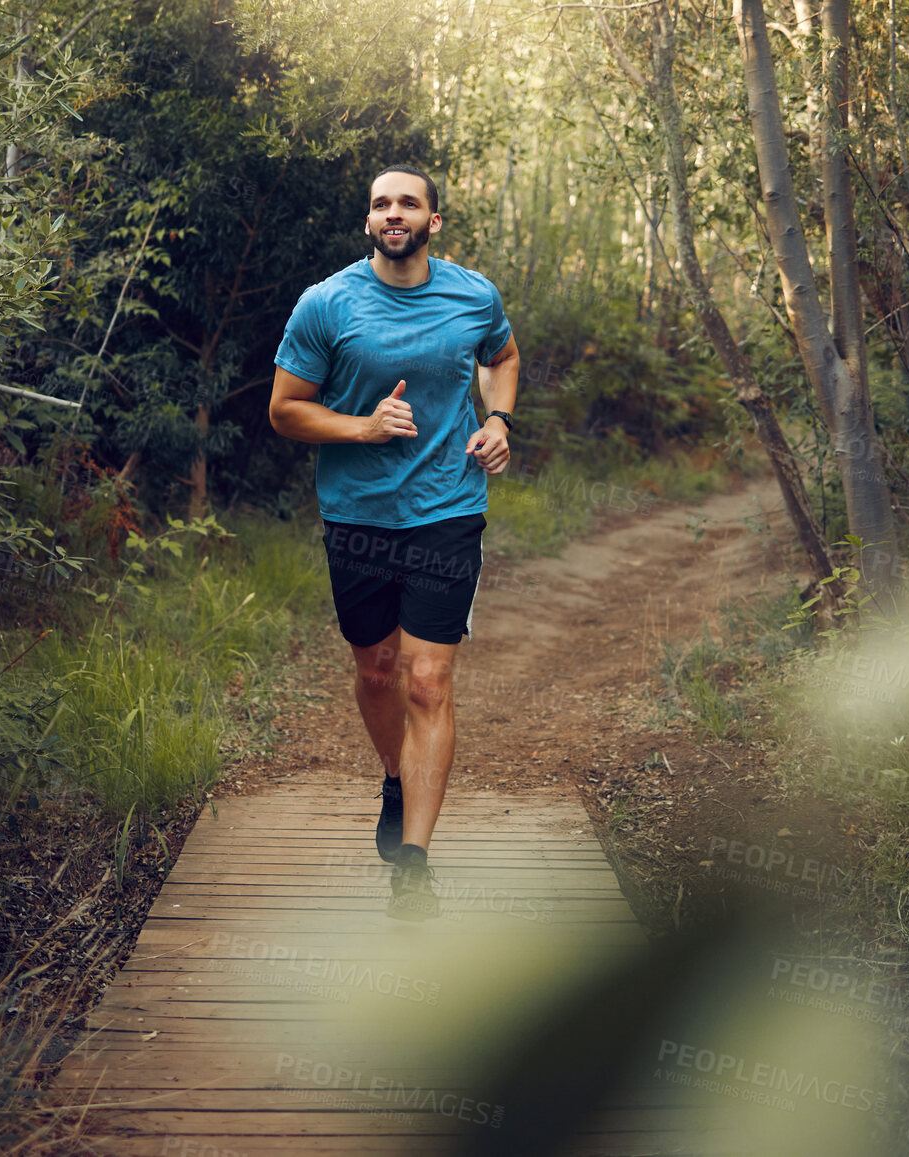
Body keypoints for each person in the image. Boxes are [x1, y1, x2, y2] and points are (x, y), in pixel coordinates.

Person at [269, 164, 519, 920]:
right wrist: (364, 426)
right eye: (381, 204)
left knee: (427, 680)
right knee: (377, 670)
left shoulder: (473, 295)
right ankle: (393, 774)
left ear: (434, 220)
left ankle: (413, 864)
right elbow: (285, 410)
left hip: (447, 509)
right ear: (369, 221)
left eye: (408, 202)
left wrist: (499, 420)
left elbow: (500, 358)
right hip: (357, 515)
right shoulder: (327, 304)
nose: (393, 213)